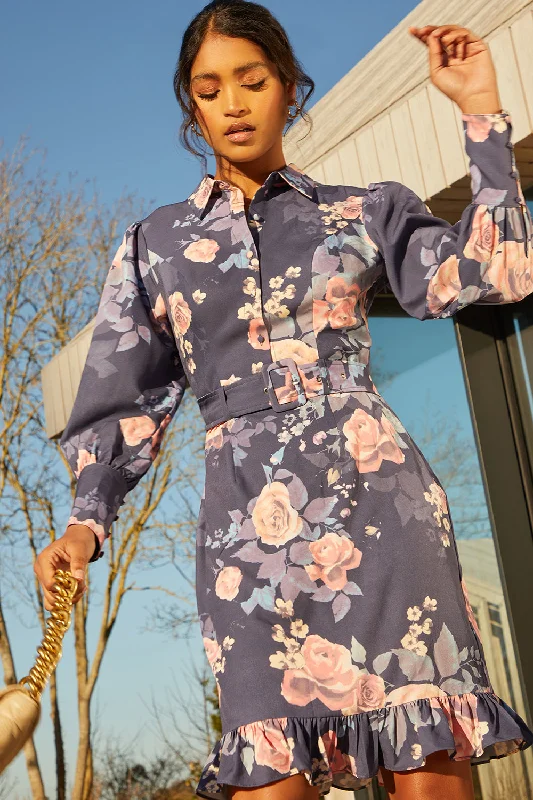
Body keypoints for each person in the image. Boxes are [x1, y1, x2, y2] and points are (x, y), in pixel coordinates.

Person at [35, 1, 533, 798]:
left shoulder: (364, 209)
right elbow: (119, 403)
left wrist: (478, 109)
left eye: (251, 80)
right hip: (246, 542)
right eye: (208, 89)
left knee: (426, 766)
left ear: (288, 88)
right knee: (268, 773)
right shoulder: (155, 245)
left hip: (385, 517)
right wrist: (84, 524)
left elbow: (497, 273)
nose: (232, 103)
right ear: (190, 107)